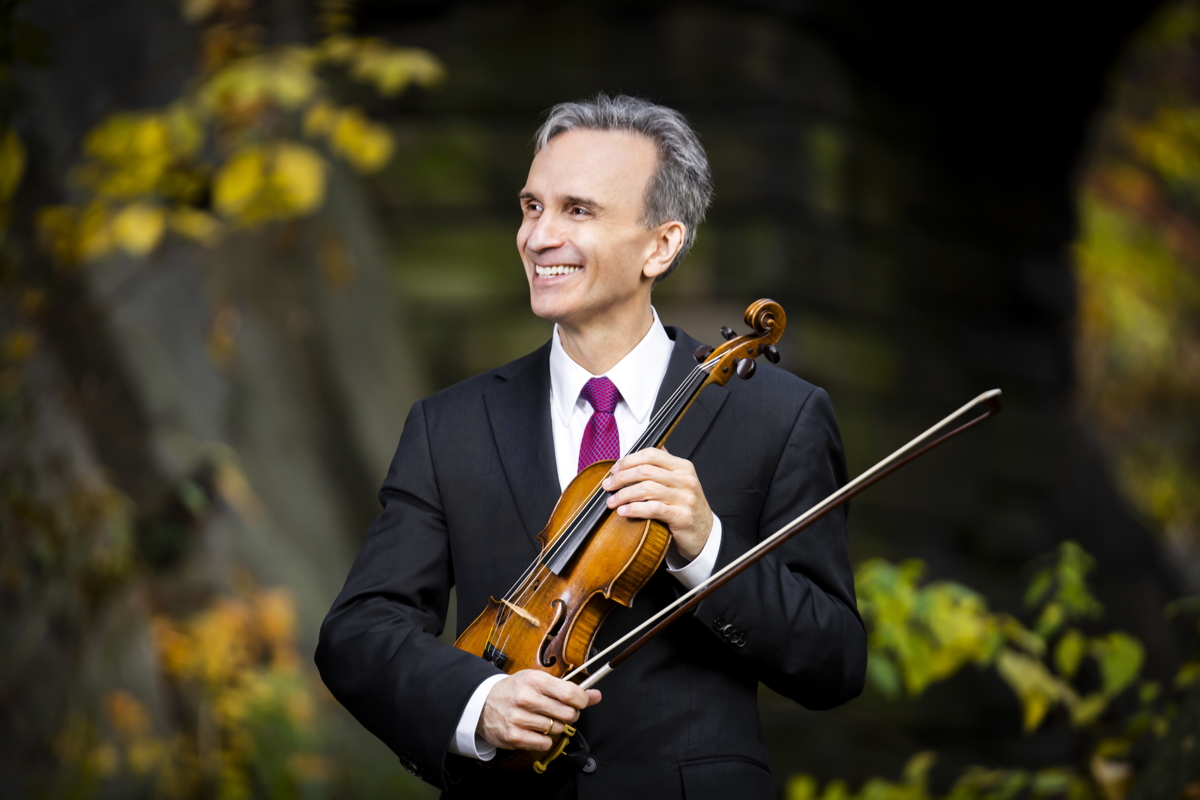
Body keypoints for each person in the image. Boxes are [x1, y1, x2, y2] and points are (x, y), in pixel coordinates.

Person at [315, 94, 866, 799]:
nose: (539, 237)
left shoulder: (779, 416)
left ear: (660, 245)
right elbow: (359, 631)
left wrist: (707, 549)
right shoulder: (448, 423)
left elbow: (835, 661)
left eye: (578, 211)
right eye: (532, 206)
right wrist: (480, 703)